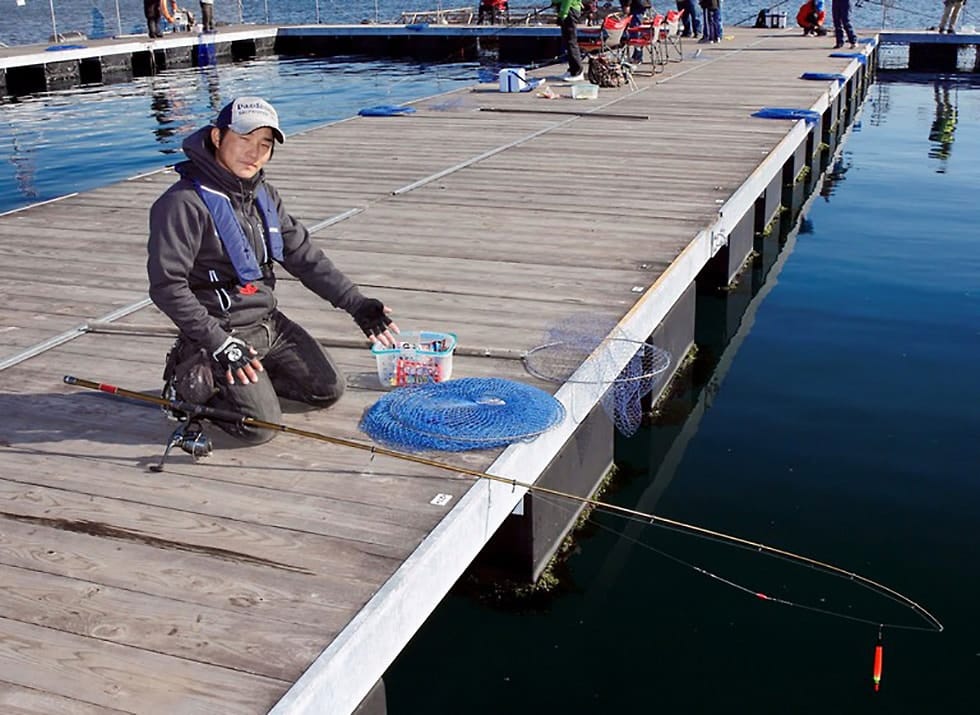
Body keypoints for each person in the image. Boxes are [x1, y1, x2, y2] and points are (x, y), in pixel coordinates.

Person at [147, 97, 399, 444]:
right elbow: (167, 287)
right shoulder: (181, 204)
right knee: (259, 428)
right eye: (245, 140)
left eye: (264, 145)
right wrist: (219, 343)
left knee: (328, 390)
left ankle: (252, 381)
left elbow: (302, 255)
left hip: (268, 323)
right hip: (219, 331)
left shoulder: (263, 195)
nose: (255, 153)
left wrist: (356, 303)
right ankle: (191, 381)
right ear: (218, 137)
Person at [553, 0, 585, 81]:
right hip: (568, 9)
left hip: (570, 10)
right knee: (567, 41)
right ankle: (572, 70)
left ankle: (578, 72)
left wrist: (563, 14)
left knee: (571, 42)